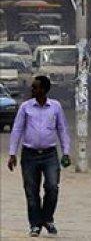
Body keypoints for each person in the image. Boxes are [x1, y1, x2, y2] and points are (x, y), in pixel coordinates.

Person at [6, 75, 71, 237]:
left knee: (52, 187)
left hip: (50, 154)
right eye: (33, 87)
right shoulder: (25, 107)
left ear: (44, 89)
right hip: (29, 155)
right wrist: (12, 153)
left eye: (35, 87)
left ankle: (47, 218)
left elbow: (62, 129)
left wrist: (66, 152)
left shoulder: (55, 106)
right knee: (31, 191)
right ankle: (35, 224)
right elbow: (17, 130)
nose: (32, 89)